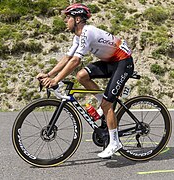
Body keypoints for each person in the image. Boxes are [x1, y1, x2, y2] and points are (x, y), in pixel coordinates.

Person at [36, 3, 134, 158]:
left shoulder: (87, 32)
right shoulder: (78, 36)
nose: (65, 21)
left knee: (108, 104)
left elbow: (75, 61)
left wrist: (56, 80)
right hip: (111, 62)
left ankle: (115, 142)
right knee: (81, 76)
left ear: (78, 19)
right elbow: (67, 58)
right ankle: (104, 102)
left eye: (67, 17)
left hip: (123, 62)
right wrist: (49, 75)